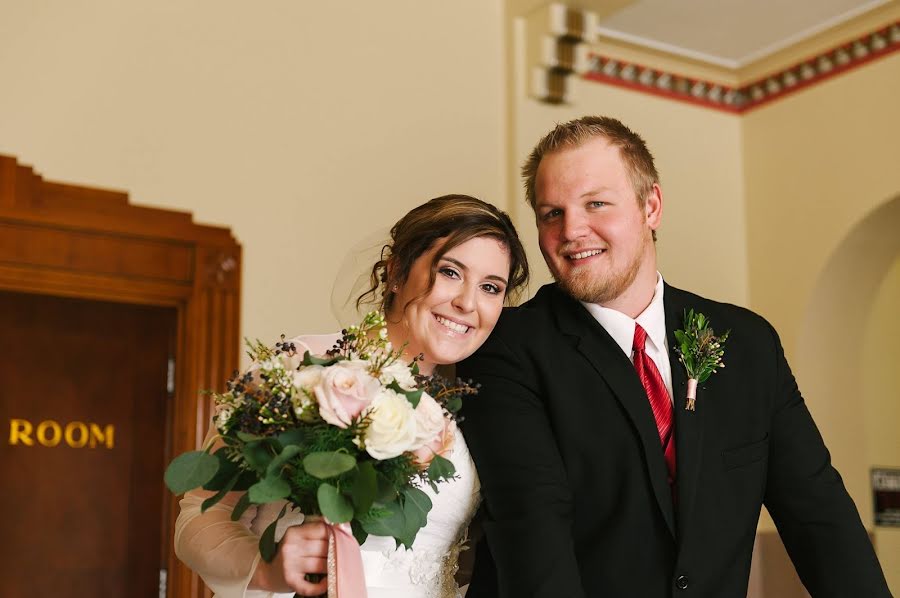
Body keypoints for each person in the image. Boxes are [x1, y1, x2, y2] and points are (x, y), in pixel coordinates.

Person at [458, 116, 890, 597]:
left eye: (595, 203)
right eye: (550, 213)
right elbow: (531, 529)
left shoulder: (747, 342)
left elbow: (818, 512)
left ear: (651, 207)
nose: (572, 230)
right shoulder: (507, 347)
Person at [174, 194, 529, 597]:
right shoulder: (303, 369)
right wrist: (266, 569)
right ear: (396, 271)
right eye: (450, 272)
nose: (467, 303)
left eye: (490, 287)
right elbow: (200, 519)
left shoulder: (484, 409)